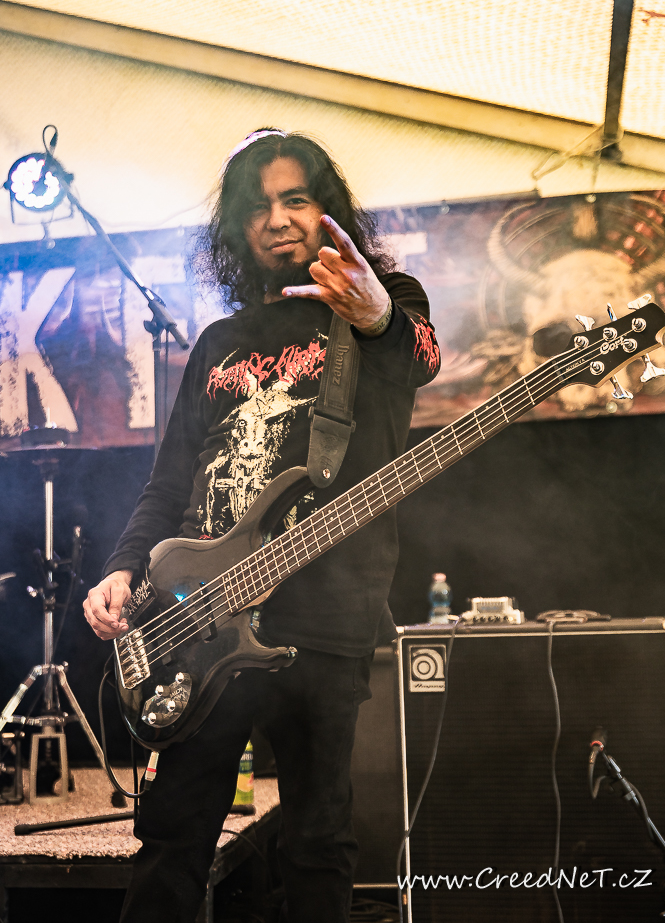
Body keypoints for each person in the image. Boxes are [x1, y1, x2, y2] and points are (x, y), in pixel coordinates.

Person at [83, 129, 440, 923]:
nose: (277, 219)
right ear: (236, 229)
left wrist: (376, 312)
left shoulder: (383, 306)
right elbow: (169, 482)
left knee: (317, 841)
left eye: (296, 199)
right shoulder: (220, 342)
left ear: (328, 211)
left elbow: (420, 357)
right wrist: (121, 567)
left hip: (326, 621)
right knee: (173, 839)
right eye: (258, 207)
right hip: (198, 622)